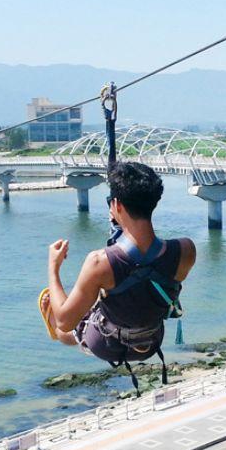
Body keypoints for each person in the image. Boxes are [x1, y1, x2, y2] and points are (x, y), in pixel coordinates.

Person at [44, 162, 196, 387]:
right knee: (119, 289)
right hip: (151, 340)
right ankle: (95, 298)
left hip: (106, 344)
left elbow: (66, 322)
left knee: (66, 328)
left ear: (116, 205)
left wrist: (53, 267)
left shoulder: (99, 262)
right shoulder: (186, 250)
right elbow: (146, 259)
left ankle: (56, 324)